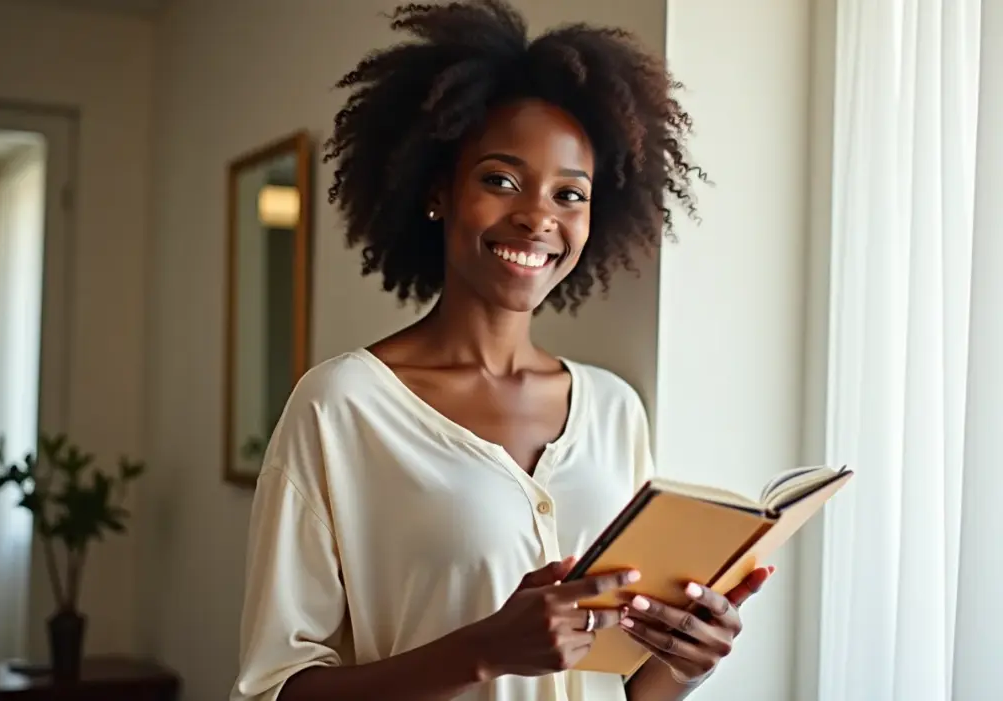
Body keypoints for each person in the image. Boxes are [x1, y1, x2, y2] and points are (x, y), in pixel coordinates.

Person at [230, 2, 773, 700]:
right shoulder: (341, 406)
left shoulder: (613, 410)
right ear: (437, 191)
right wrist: (482, 649)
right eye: (500, 179)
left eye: (569, 193)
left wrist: (687, 658)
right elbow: (275, 690)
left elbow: (628, 687)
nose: (538, 216)